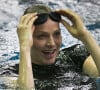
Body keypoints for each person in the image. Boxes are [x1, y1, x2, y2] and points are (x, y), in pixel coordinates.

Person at [16, 4, 100, 90]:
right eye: (41, 36)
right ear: (26, 38)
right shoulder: (12, 73)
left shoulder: (74, 56)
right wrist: (24, 47)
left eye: (57, 34)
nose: (51, 43)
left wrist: (85, 36)